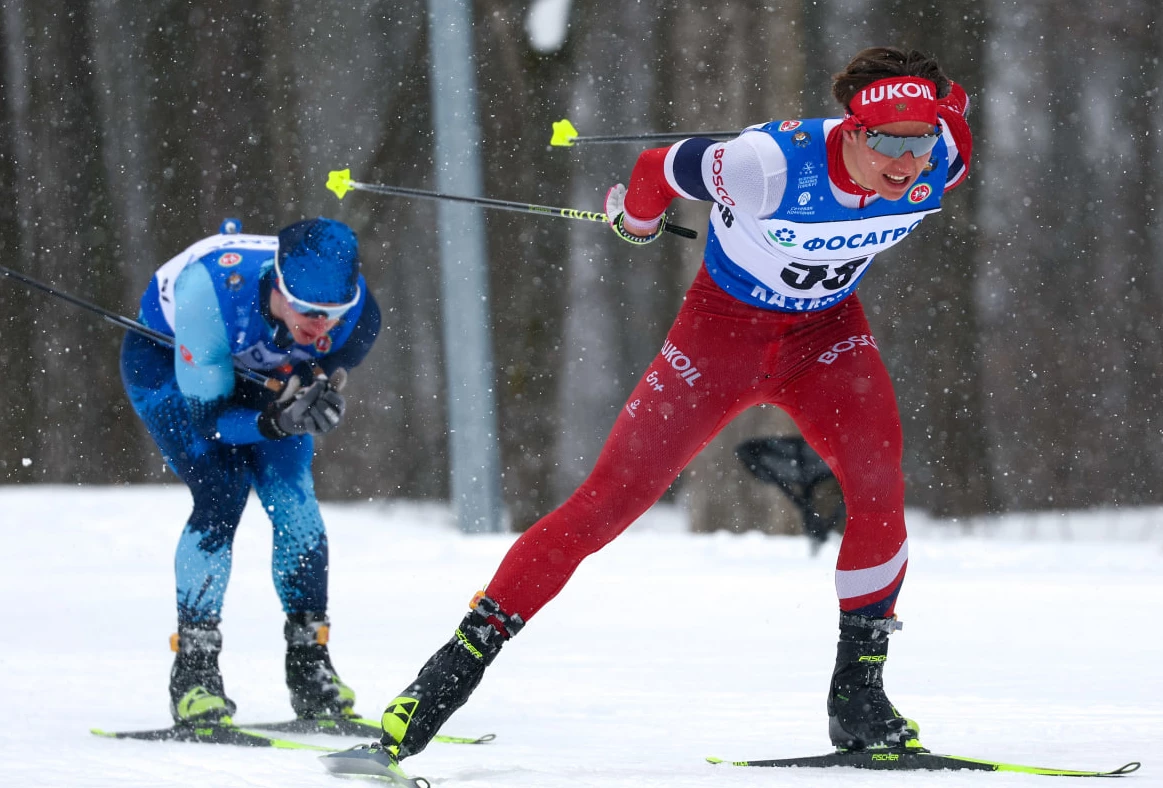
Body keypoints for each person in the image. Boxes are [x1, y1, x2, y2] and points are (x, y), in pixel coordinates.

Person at [373, 45, 973, 763]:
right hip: (721, 336)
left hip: (826, 336)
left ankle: (859, 697)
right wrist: (635, 218)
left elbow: (952, 110)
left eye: (920, 140)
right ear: (850, 128)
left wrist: (937, 109)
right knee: (606, 504)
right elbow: (658, 168)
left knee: (880, 494)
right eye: (885, 143)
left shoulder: (946, 154)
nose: (905, 164)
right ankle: (448, 674)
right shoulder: (766, 166)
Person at [119, 216, 382, 725]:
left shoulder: (358, 315)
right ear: (278, 282)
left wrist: (315, 382)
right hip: (174, 364)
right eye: (306, 309)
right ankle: (194, 675)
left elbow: (332, 356)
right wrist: (276, 419)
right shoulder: (208, 294)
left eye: (333, 313)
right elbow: (212, 422)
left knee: (295, 502)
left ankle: (311, 667)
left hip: (260, 371)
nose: (319, 324)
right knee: (221, 494)